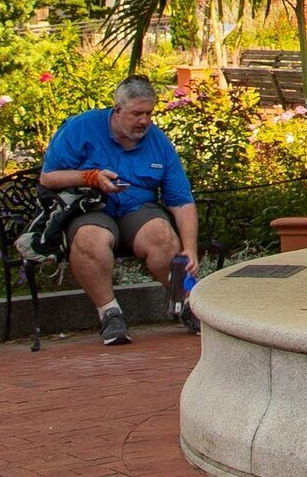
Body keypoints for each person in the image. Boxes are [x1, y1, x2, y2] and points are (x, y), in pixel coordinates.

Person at [38, 76, 200, 346]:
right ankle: (110, 314)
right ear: (117, 109)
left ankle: (184, 304)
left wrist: (190, 249)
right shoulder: (80, 128)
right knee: (91, 238)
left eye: (149, 113)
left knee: (163, 235)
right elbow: (48, 178)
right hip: (93, 206)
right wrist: (89, 177)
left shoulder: (158, 142)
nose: (144, 121)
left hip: (137, 207)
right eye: (137, 113)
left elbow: (181, 201)